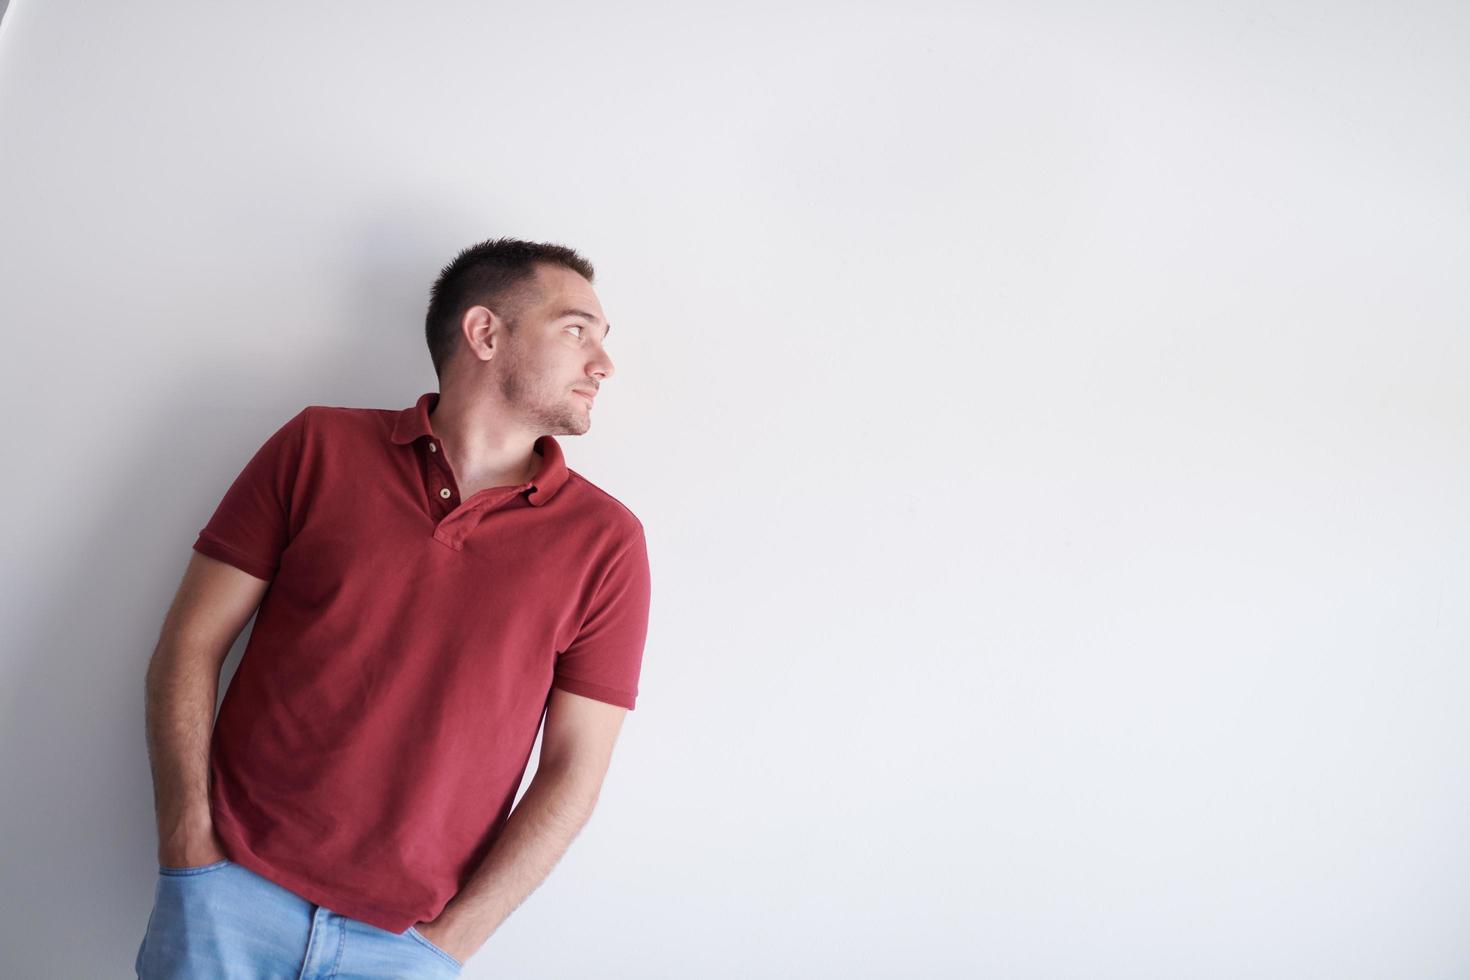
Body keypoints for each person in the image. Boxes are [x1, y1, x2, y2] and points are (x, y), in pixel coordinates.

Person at [136, 238, 652, 978]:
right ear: (484, 333)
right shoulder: (316, 446)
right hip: (228, 902)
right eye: (577, 331)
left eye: (603, 341)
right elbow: (190, 642)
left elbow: (574, 770)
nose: (602, 363)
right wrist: (188, 844)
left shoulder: (608, 544)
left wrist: (449, 946)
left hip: (403, 947)